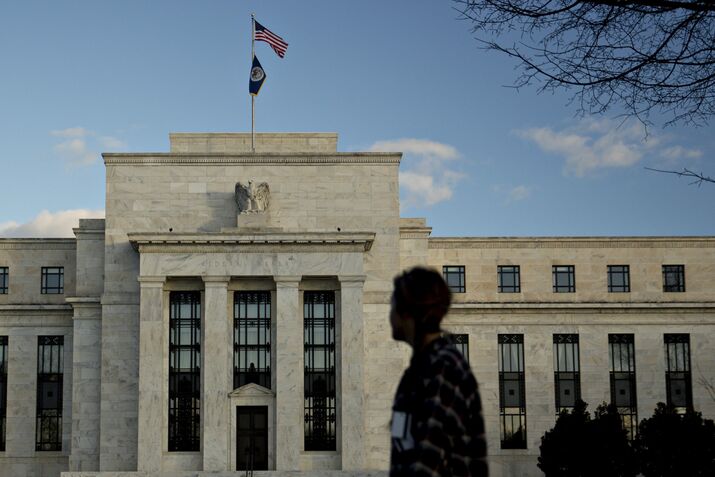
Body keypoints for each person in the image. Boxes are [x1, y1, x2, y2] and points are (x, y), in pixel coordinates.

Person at [389, 267, 488, 477]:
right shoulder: (417, 372)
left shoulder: (444, 367)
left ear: (409, 311)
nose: (390, 314)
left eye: (393, 305)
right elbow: (403, 447)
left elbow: (428, 458)